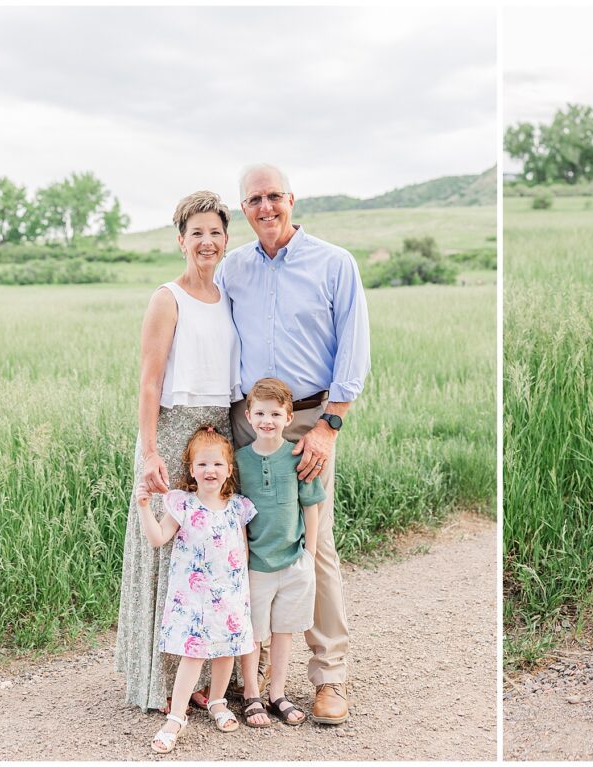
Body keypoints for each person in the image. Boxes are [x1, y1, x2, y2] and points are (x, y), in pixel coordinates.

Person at [219, 163, 370, 724]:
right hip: (244, 420)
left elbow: (353, 349)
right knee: (244, 543)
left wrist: (330, 426)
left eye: (274, 196)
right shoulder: (233, 269)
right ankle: (245, 673)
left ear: (292, 199)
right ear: (243, 208)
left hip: (309, 420)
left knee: (314, 544)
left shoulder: (334, 263)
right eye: (254, 198)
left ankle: (329, 675)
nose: (266, 207)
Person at [115, 191, 242, 713]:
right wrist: (150, 454)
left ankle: (213, 673)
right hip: (171, 430)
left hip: (219, 433)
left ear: (226, 239)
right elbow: (148, 382)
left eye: (215, 232)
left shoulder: (229, 296)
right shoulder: (167, 297)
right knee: (168, 547)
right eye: (197, 233)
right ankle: (162, 681)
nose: (206, 242)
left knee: (211, 550)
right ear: (181, 241)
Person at [134, 426, 256, 753]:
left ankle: (217, 700)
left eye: (216, 464)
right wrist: (144, 506)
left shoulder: (238, 507)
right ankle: (176, 716)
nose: (209, 471)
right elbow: (159, 538)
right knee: (194, 652)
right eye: (202, 465)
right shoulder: (183, 504)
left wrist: (242, 594)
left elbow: (242, 552)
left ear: (229, 470)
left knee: (226, 648)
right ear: (191, 470)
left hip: (229, 592)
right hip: (193, 596)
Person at [236, 378, 326, 727]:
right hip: (256, 563)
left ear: (289, 417)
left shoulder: (296, 456)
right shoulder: (240, 460)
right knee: (254, 632)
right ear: (248, 415)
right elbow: (236, 510)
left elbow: (311, 506)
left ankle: (277, 693)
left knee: (284, 631)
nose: (267, 420)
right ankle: (251, 695)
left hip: (292, 561)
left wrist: (310, 553)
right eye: (260, 413)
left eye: (275, 413)